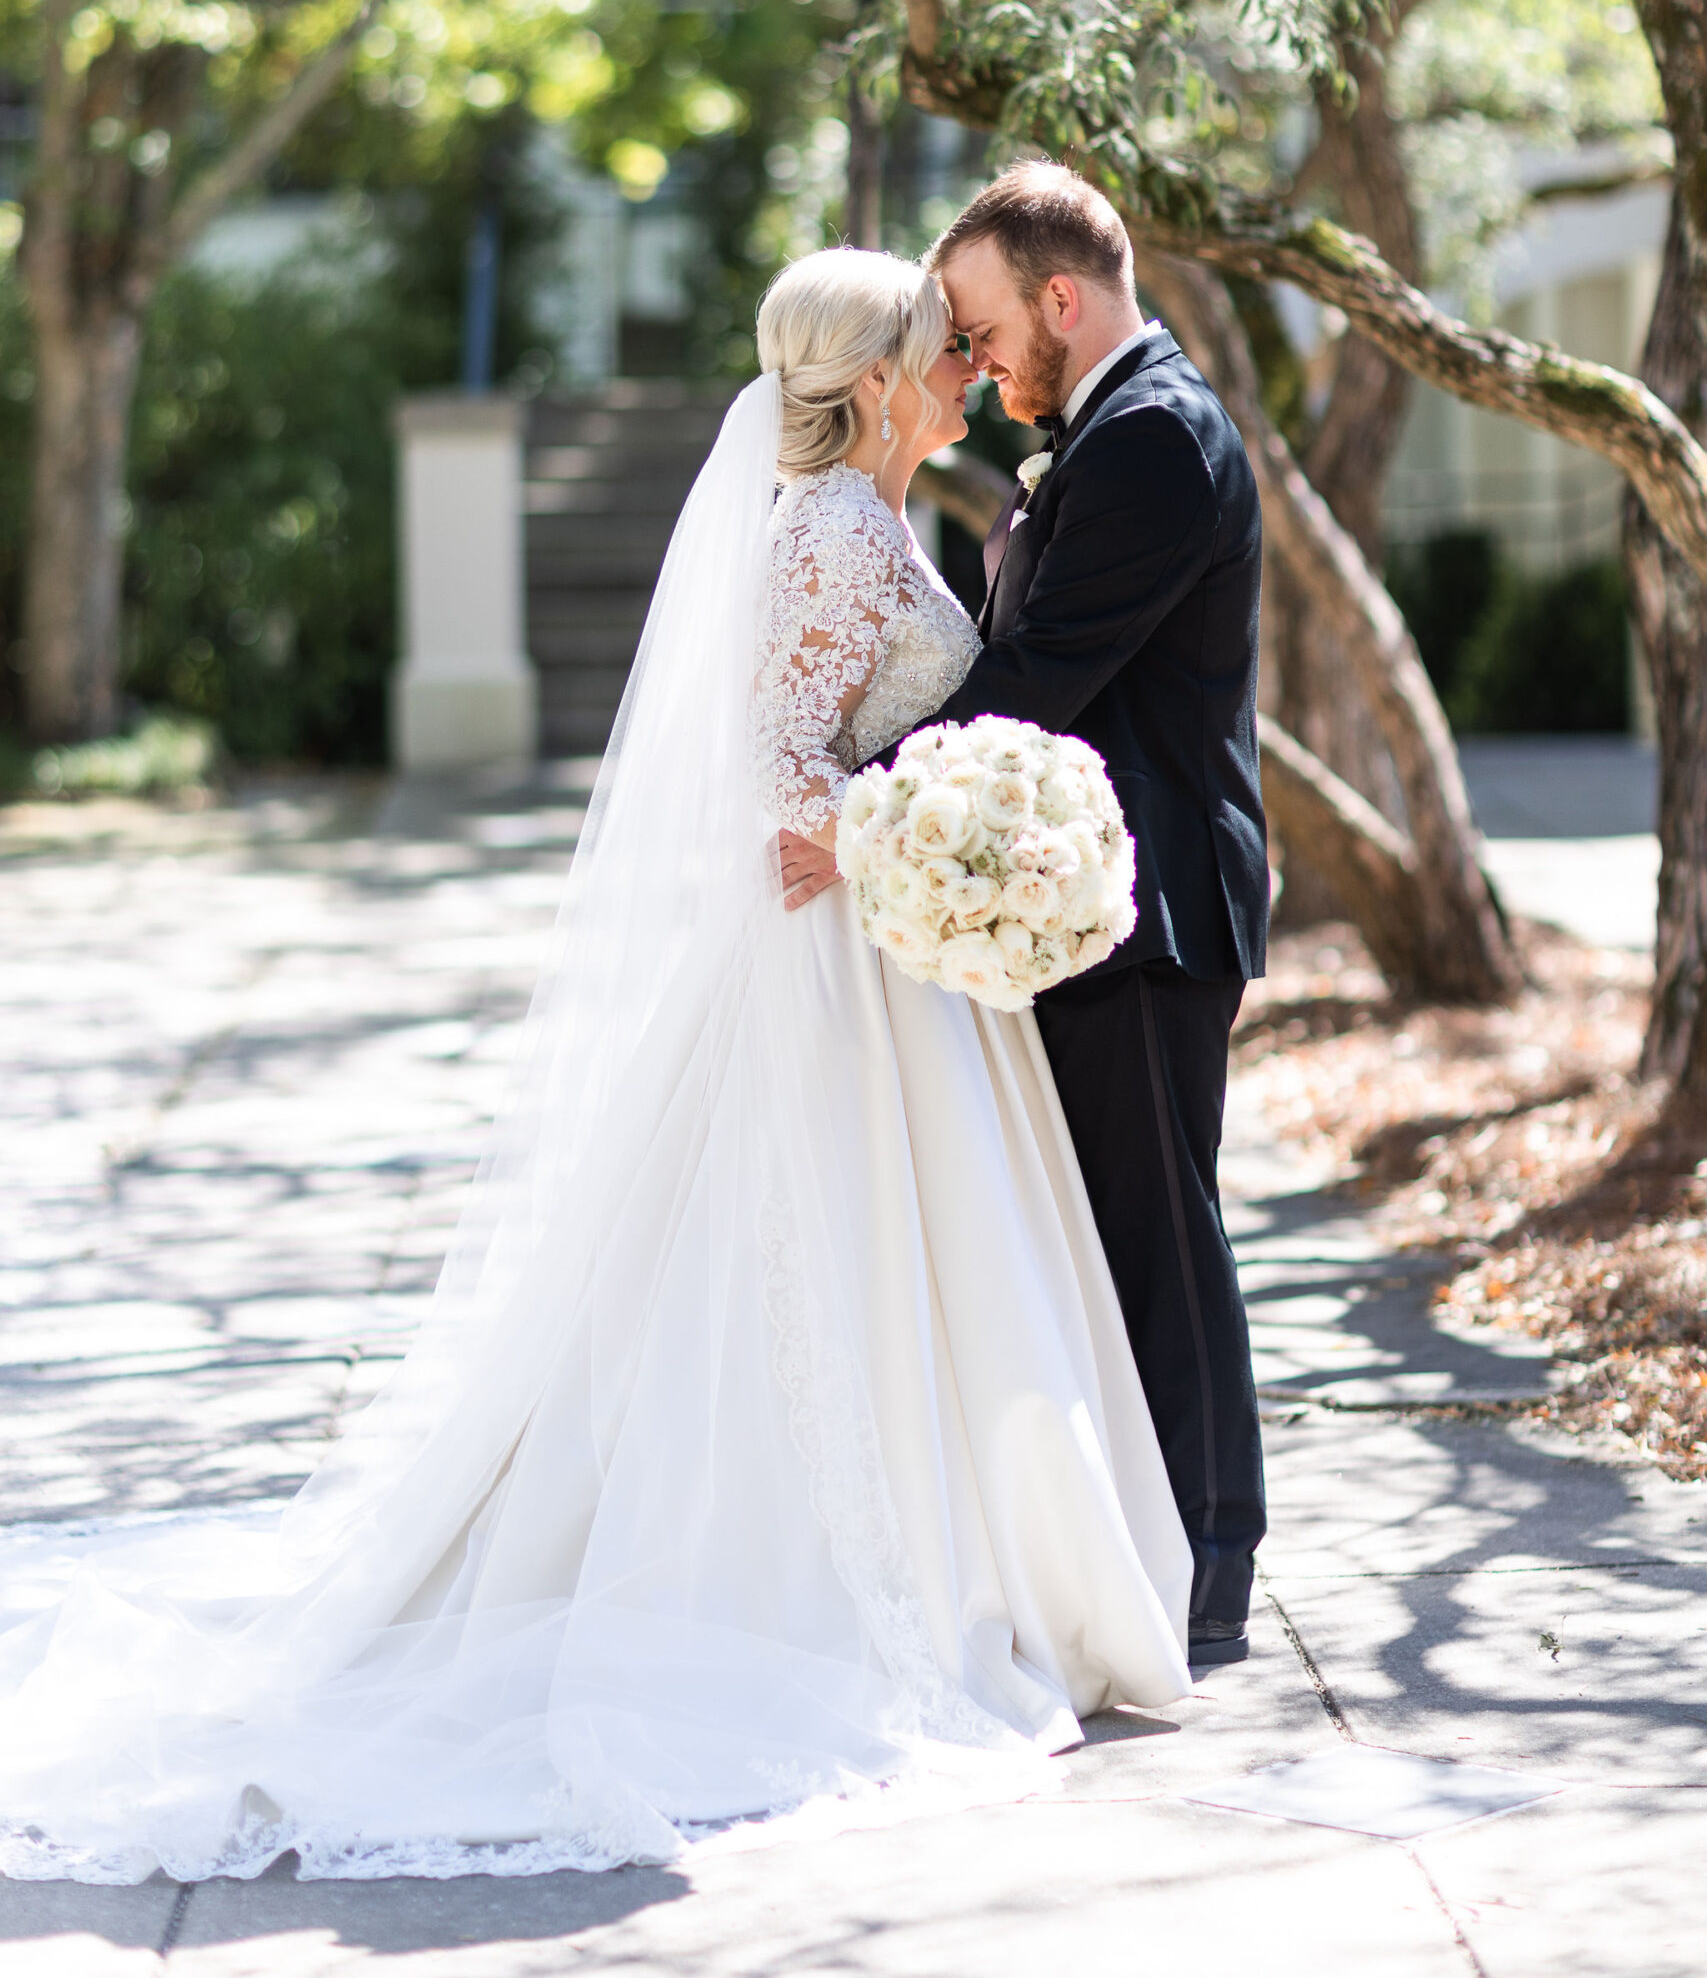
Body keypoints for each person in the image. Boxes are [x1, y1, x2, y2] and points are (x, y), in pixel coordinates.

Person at [0, 248, 1191, 1890]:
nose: (967, 373)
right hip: (836, 969)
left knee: (919, 1272)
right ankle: (860, 1585)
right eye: (940, 351)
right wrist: (901, 833)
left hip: (891, 954)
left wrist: (928, 829)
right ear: (878, 381)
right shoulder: (833, 530)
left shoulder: (873, 518)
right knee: (821, 1270)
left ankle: (973, 1568)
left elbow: (857, 737)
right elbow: (769, 759)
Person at [781, 164, 1269, 1665]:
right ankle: (1135, 1549)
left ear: (1062, 297)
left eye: (987, 330)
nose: (977, 365)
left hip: (1149, 914)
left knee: (1158, 1247)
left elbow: (1033, 683)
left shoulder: (1153, 442)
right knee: (1107, 1246)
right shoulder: (1107, 431)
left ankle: (1202, 1572)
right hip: (1083, 911)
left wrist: (864, 809)